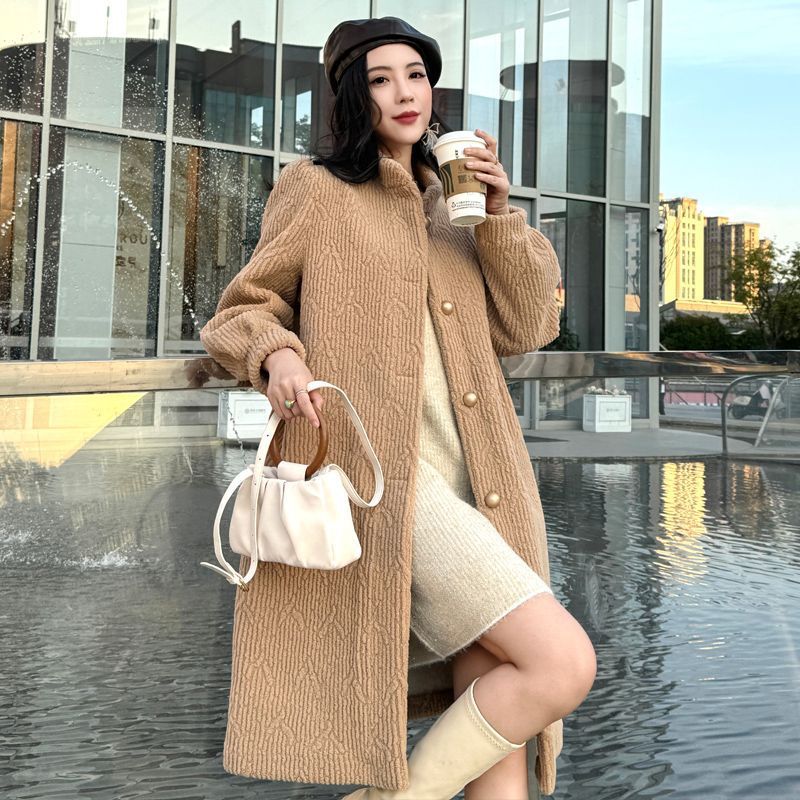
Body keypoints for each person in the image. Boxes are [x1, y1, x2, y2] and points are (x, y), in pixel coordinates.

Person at [199, 15, 596, 800]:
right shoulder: (315, 188)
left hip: (481, 478)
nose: (404, 93)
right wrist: (278, 354)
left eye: (416, 75)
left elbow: (528, 325)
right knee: (559, 663)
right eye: (381, 80)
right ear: (356, 96)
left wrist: (500, 213)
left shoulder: (456, 204)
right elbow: (244, 306)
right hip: (387, 477)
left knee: (500, 739)